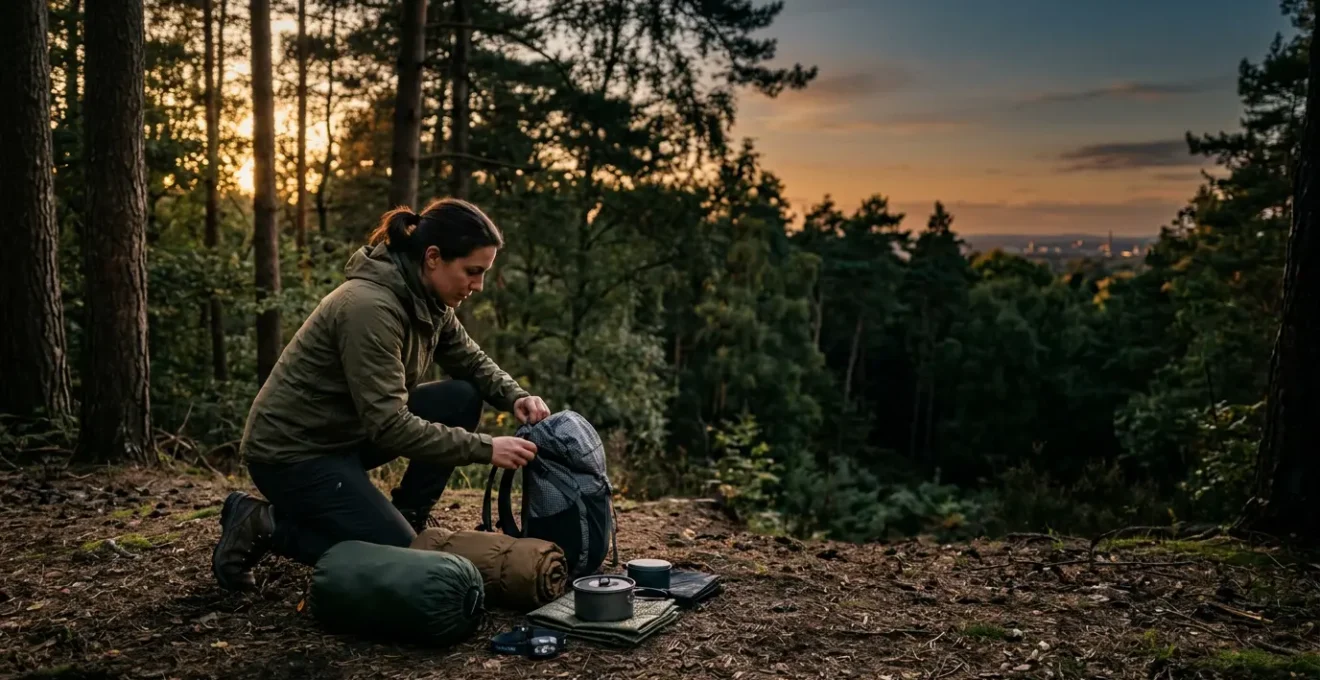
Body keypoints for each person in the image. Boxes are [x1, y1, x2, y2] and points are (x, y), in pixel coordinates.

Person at [211, 198, 550, 591]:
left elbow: (470, 361)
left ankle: (408, 514)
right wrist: (485, 448)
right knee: (401, 558)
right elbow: (389, 426)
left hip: (348, 435)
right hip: (293, 454)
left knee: (460, 396)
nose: (478, 286)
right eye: (472, 272)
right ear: (434, 257)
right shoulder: (369, 308)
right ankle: (263, 524)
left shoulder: (428, 298)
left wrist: (516, 397)